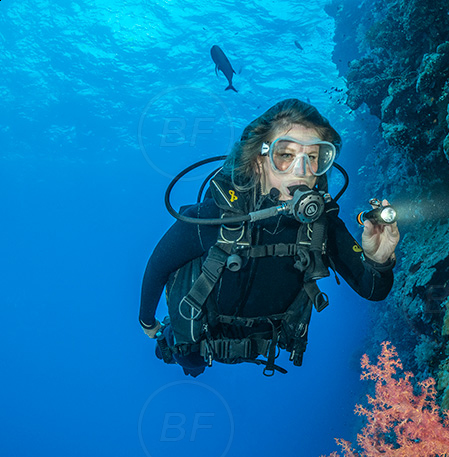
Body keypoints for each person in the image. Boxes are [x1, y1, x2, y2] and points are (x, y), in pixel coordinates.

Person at [139, 99, 400, 376]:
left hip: (265, 345)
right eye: (286, 155)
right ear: (257, 161)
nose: (302, 169)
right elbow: (158, 266)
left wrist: (379, 260)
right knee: (189, 362)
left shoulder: (323, 226)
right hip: (200, 339)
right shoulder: (212, 218)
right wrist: (148, 323)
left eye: (313, 157)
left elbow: (373, 290)